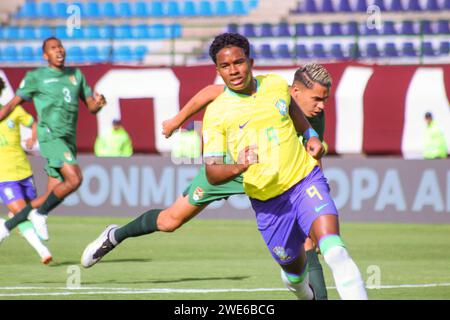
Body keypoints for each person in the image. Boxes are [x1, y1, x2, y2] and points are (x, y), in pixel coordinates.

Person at [80, 67, 328, 297]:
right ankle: (115, 235)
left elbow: (312, 158)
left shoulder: (315, 118)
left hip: (277, 180)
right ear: (294, 91)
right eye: (316, 99)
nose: (320, 106)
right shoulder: (266, 89)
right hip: (230, 169)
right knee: (169, 221)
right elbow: (211, 92)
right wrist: (177, 120)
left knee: (307, 239)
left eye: (323, 99)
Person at [201, 33, 367, 299]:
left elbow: (295, 114)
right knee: (294, 277)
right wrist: (238, 166)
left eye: (239, 62)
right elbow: (212, 172)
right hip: (268, 203)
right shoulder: (216, 114)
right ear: (217, 69)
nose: (233, 70)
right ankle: (304, 291)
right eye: (225, 66)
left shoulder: (276, 85)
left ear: (250, 61)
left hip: (304, 181)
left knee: (335, 250)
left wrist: (310, 136)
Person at [0, 37, 106, 244]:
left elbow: (91, 107)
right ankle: (40, 215)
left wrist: (100, 102)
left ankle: (6, 227)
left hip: (68, 140)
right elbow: (12, 104)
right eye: (53, 48)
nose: (58, 50)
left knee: (49, 195)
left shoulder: (76, 75)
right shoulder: (37, 77)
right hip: (50, 136)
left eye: (60, 47)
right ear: (45, 55)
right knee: (75, 179)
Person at [0, 77, 52, 264]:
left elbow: (34, 124)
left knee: (31, 211)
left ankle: (6, 223)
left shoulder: (13, 111)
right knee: (22, 212)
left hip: (23, 170)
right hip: (3, 175)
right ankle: (43, 251)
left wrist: (32, 137)